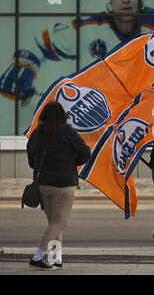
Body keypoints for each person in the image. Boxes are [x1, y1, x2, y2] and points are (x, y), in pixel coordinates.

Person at [0, 0, 154, 106]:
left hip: (150, 107)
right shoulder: (89, 28)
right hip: (104, 109)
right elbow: (40, 44)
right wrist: (25, 65)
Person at [27, 101, 91, 270]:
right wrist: (71, 162)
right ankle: (38, 256)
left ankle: (56, 258)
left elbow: (31, 160)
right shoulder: (68, 132)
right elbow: (86, 154)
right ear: (63, 116)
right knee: (59, 223)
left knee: (53, 223)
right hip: (64, 184)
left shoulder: (36, 134)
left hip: (43, 184)